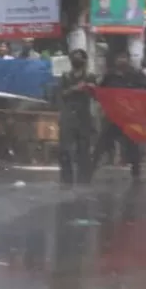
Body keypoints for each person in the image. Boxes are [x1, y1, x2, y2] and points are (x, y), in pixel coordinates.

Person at [94, 52, 146, 180]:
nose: (122, 60)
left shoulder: (136, 75)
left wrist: (134, 95)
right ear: (115, 61)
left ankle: (136, 175)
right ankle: (88, 173)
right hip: (112, 117)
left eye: (124, 58)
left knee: (133, 146)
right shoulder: (110, 76)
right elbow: (99, 91)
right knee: (102, 144)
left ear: (129, 60)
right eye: (119, 58)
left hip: (129, 117)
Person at [58, 48, 96, 186]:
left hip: (84, 116)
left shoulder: (90, 77)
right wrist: (74, 89)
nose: (77, 59)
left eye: (80, 57)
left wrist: (91, 88)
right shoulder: (65, 76)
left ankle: (84, 180)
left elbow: (96, 96)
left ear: (85, 60)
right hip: (68, 116)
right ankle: (66, 180)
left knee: (84, 150)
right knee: (65, 149)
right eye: (75, 57)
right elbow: (61, 95)